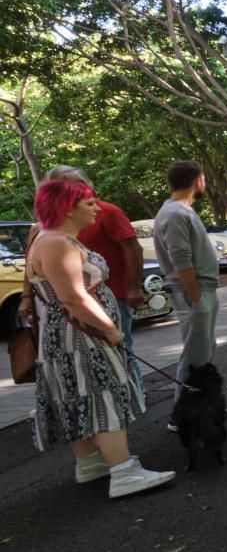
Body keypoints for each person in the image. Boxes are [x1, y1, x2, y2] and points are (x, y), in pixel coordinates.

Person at [27, 179, 175, 498]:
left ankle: (90, 462)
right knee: (102, 393)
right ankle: (123, 472)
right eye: (89, 202)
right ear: (67, 207)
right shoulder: (56, 242)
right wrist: (110, 328)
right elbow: (73, 298)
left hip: (73, 333)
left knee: (79, 394)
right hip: (80, 334)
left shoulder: (57, 238)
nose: (97, 207)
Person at [20, 166, 146, 390]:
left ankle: (134, 396)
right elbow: (72, 296)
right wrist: (27, 296)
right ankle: (121, 404)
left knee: (116, 357)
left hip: (110, 298)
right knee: (95, 379)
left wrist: (134, 287)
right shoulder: (51, 237)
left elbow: (133, 248)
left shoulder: (105, 213)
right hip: (77, 316)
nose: (94, 204)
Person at [153, 161, 222, 433]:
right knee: (194, 355)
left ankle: (202, 407)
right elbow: (180, 259)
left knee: (203, 351)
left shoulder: (182, 211)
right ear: (198, 180)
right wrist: (195, 295)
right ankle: (180, 415)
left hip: (201, 290)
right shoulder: (174, 214)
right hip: (193, 292)